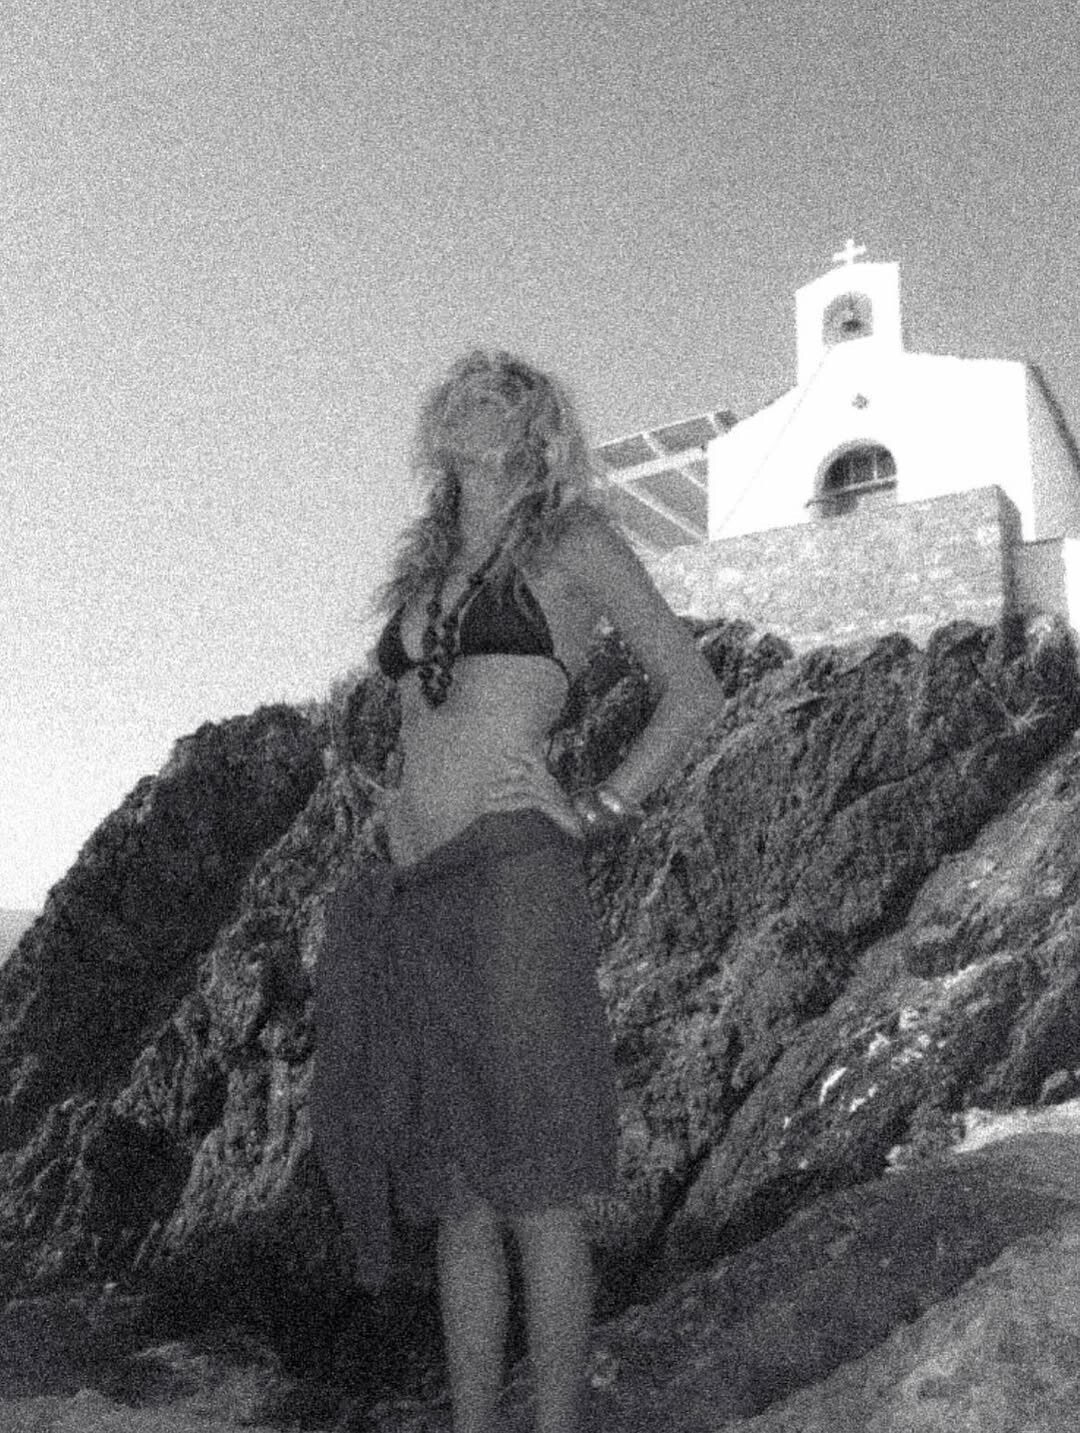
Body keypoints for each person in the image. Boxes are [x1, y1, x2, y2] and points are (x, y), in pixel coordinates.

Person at [312, 350, 720, 1433]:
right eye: (463, 387)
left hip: (512, 883)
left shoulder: (574, 539)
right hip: (416, 890)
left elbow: (693, 689)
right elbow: (424, 717)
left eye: (504, 390)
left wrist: (600, 805)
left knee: (538, 1187)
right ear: (437, 426)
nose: (478, 392)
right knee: (459, 1195)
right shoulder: (425, 565)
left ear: (540, 428)